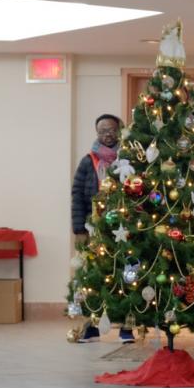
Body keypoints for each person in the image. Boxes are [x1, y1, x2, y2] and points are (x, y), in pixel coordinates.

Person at [71, 114, 135, 344]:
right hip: (95, 227)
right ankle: (92, 328)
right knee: (94, 278)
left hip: (123, 227)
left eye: (110, 130)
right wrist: (79, 228)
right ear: (96, 133)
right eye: (101, 131)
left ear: (119, 131)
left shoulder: (130, 158)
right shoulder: (88, 161)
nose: (106, 134)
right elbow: (77, 195)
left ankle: (126, 328)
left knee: (126, 275)